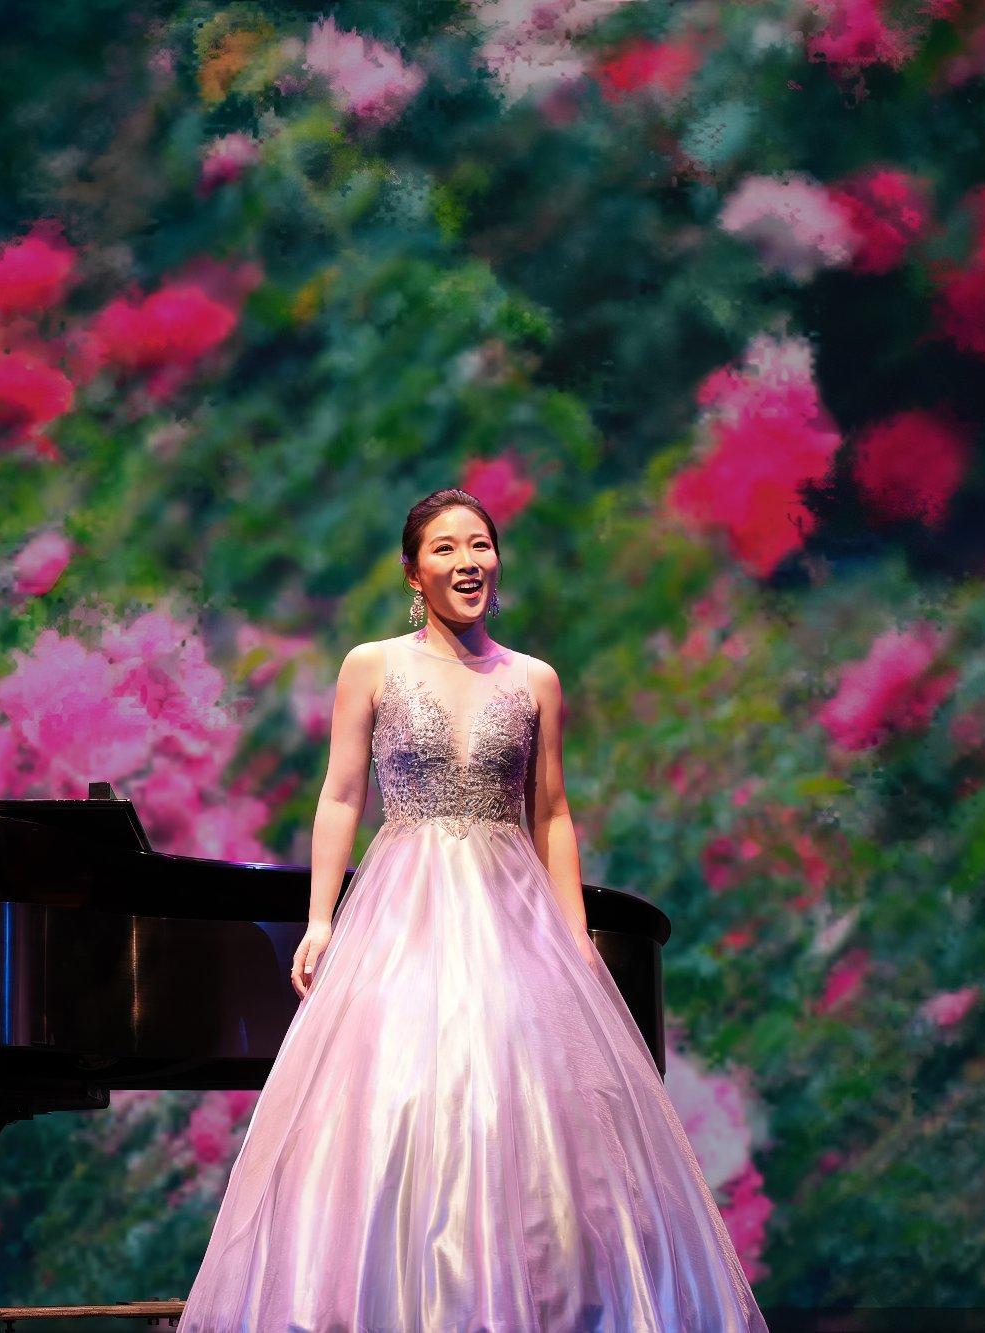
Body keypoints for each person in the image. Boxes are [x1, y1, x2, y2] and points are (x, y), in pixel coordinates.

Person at [181, 490, 768, 1331]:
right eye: (448, 548)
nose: (468, 562)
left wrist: (574, 936)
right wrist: (319, 918)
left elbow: (553, 812)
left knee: (519, 1108)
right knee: (402, 1096)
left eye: (481, 545)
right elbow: (342, 795)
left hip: (511, 911)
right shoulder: (373, 665)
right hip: (404, 903)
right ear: (414, 571)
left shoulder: (534, 679)